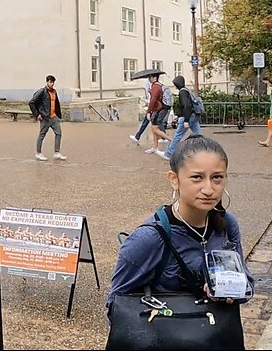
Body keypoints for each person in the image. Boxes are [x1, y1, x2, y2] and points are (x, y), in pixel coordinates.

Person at [107, 137, 250, 348]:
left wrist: (229, 291)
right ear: (174, 179)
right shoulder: (149, 238)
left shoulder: (227, 224)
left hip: (214, 338)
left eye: (217, 177)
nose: (208, 189)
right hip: (165, 339)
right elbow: (117, 303)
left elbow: (247, 284)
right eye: (197, 178)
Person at [160, 75, 202, 160]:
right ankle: (203, 150)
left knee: (178, 135)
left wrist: (186, 120)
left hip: (188, 116)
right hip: (194, 114)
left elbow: (187, 106)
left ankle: (168, 153)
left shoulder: (182, 92)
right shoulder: (187, 90)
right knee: (197, 134)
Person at [28, 75, 67, 161]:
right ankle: (38, 153)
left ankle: (57, 153)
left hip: (54, 117)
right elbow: (32, 102)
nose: (52, 84)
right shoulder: (42, 91)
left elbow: (56, 104)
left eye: (53, 82)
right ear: (47, 82)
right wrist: (37, 114)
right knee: (42, 135)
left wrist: (58, 114)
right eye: (50, 82)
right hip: (45, 118)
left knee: (59, 133)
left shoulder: (54, 92)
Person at [131, 77, 153, 144]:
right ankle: (137, 136)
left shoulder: (154, 88)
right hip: (152, 108)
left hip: (152, 109)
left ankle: (165, 138)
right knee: (146, 123)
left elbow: (152, 100)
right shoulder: (153, 89)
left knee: (155, 126)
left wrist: (149, 111)